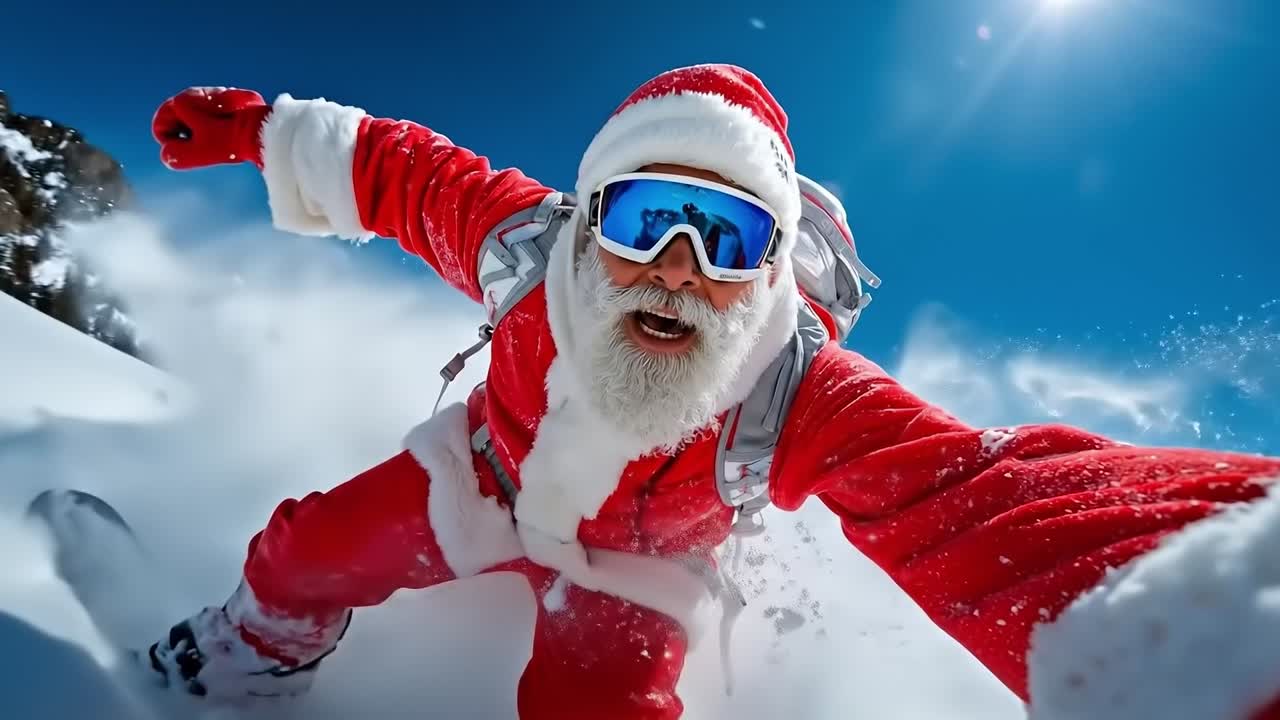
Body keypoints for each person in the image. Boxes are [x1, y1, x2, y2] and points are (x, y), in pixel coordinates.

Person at [145, 65, 1280, 719]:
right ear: (588, 221)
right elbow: (409, 171)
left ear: (771, 265)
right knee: (301, 551)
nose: (678, 266)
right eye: (647, 219)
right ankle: (253, 656)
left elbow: (990, 503)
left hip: (646, 567)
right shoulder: (521, 250)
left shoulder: (800, 385)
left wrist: (1217, 614)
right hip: (481, 481)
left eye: (728, 237)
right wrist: (261, 131)